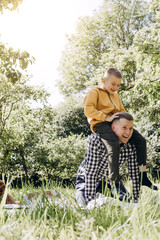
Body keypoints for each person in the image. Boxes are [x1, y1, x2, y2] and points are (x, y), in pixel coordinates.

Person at [83, 67, 157, 191]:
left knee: (141, 141)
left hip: (114, 122)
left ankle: (143, 175)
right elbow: (88, 110)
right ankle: (115, 182)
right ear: (104, 80)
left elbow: (122, 111)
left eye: (118, 85)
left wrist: (125, 123)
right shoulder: (94, 92)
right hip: (100, 123)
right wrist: (106, 117)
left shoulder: (116, 96)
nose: (115, 87)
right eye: (113, 84)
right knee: (113, 144)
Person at [76, 112, 140, 206]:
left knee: (126, 203)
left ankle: (104, 196)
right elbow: (91, 173)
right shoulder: (96, 140)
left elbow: (134, 174)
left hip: (110, 179)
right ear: (113, 128)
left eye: (130, 128)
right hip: (87, 178)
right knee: (83, 205)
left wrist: (136, 199)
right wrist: (89, 201)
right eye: (124, 128)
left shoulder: (131, 145)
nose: (128, 132)